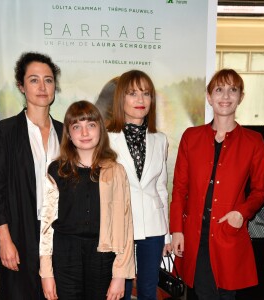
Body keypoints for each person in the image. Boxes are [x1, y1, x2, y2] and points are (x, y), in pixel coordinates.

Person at [170, 68, 264, 300]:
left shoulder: (254, 142)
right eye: (219, 90)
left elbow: (261, 189)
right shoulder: (191, 137)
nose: (225, 96)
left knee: (226, 296)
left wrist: (241, 213)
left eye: (232, 90)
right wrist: (176, 230)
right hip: (196, 238)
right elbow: (179, 189)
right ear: (209, 96)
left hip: (229, 235)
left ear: (241, 97)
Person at [39, 100, 135, 300]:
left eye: (90, 125)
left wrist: (119, 275)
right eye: (77, 127)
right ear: (69, 134)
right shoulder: (56, 171)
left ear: (100, 129)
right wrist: (46, 272)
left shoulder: (116, 172)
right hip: (65, 254)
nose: (84, 133)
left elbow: (126, 226)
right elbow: (46, 225)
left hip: (102, 255)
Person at [0, 52, 63, 299]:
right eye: (33, 80)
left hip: (60, 234)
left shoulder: (66, 133)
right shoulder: (4, 132)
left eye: (48, 80)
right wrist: (4, 238)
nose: (42, 87)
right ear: (21, 86)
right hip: (20, 231)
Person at [107, 70, 171, 300]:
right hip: (120, 225)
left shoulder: (160, 139)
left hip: (154, 225)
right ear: (120, 98)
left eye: (146, 93)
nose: (140, 100)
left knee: (148, 288)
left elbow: (162, 187)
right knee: (120, 289)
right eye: (132, 93)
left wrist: (167, 234)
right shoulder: (106, 138)